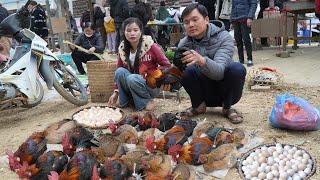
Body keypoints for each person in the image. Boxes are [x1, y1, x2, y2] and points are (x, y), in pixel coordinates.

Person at [177, 4, 246, 124]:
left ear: (207, 19)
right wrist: (167, 79)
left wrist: (202, 60)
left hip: (225, 90)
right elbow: (181, 76)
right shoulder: (183, 44)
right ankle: (198, 106)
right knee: (184, 70)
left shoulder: (224, 37)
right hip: (203, 92)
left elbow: (219, 72)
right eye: (186, 22)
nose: (191, 25)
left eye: (195, 19)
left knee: (237, 68)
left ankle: (227, 107)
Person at [107, 18, 171, 111]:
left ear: (141, 31)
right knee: (120, 71)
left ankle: (146, 101)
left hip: (150, 86)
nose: (132, 33)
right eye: (128, 30)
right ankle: (126, 101)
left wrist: (156, 76)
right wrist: (115, 93)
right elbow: (119, 69)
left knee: (132, 78)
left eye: (135, 30)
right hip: (132, 83)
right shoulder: (122, 48)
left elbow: (167, 65)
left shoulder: (150, 46)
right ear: (124, 32)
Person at [230, 0, 257, 67]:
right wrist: (231, 20)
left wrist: (250, 17)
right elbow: (233, 6)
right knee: (238, 39)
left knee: (246, 39)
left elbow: (253, 4)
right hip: (235, 19)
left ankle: (250, 59)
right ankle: (241, 59)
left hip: (245, 17)